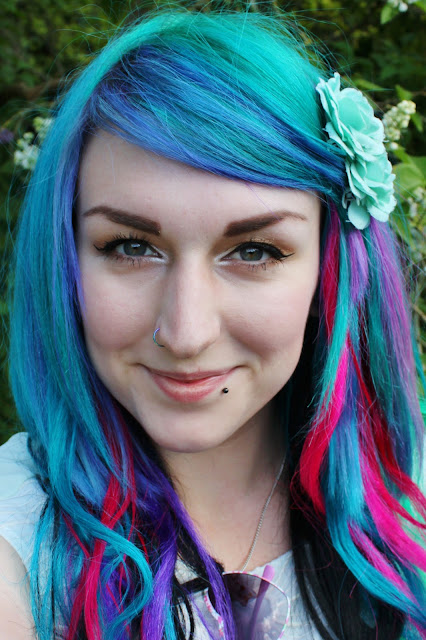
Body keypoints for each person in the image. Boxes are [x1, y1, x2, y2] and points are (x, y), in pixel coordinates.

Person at [0, 9, 425, 640]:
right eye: (129, 246)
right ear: (64, 261)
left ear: (330, 271)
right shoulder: (19, 541)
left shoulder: (410, 503)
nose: (186, 332)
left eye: (254, 251)